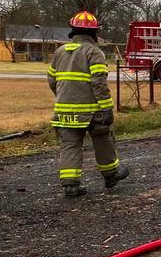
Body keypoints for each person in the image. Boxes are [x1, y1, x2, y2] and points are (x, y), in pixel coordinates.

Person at [47, 11, 129, 197]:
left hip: (64, 111)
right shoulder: (93, 52)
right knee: (102, 138)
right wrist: (106, 108)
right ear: (94, 32)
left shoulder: (60, 52)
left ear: (73, 30)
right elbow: (98, 83)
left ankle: (70, 185)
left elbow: (52, 80)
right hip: (91, 111)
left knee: (70, 145)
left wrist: (64, 97)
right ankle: (111, 175)